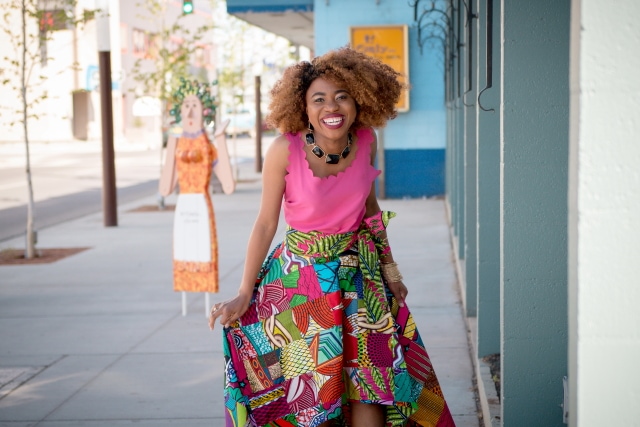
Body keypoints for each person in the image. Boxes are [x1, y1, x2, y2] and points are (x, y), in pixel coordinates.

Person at [209, 47, 455, 427]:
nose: (331, 106)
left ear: (358, 100)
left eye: (342, 95)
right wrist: (244, 291)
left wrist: (391, 271)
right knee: (313, 400)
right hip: (299, 286)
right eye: (318, 99)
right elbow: (264, 223)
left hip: (360, 280)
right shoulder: (283, 150)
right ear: (303, 108)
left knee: (371, 388)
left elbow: (371, 211)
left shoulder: (366, 140)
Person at [159, 78, 234, 296]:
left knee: (202, 249)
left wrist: (220, 139)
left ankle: (204, 287)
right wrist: (171, 150)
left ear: (204, 111)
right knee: (185, 248)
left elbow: (228, 185)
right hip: (183, 204)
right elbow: (166, 188)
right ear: (179, 111)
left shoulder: (208, 145)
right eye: (186, 106)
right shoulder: (176, 142)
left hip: (201, 203)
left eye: (195, 106)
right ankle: (185, 285)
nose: (191, 112)